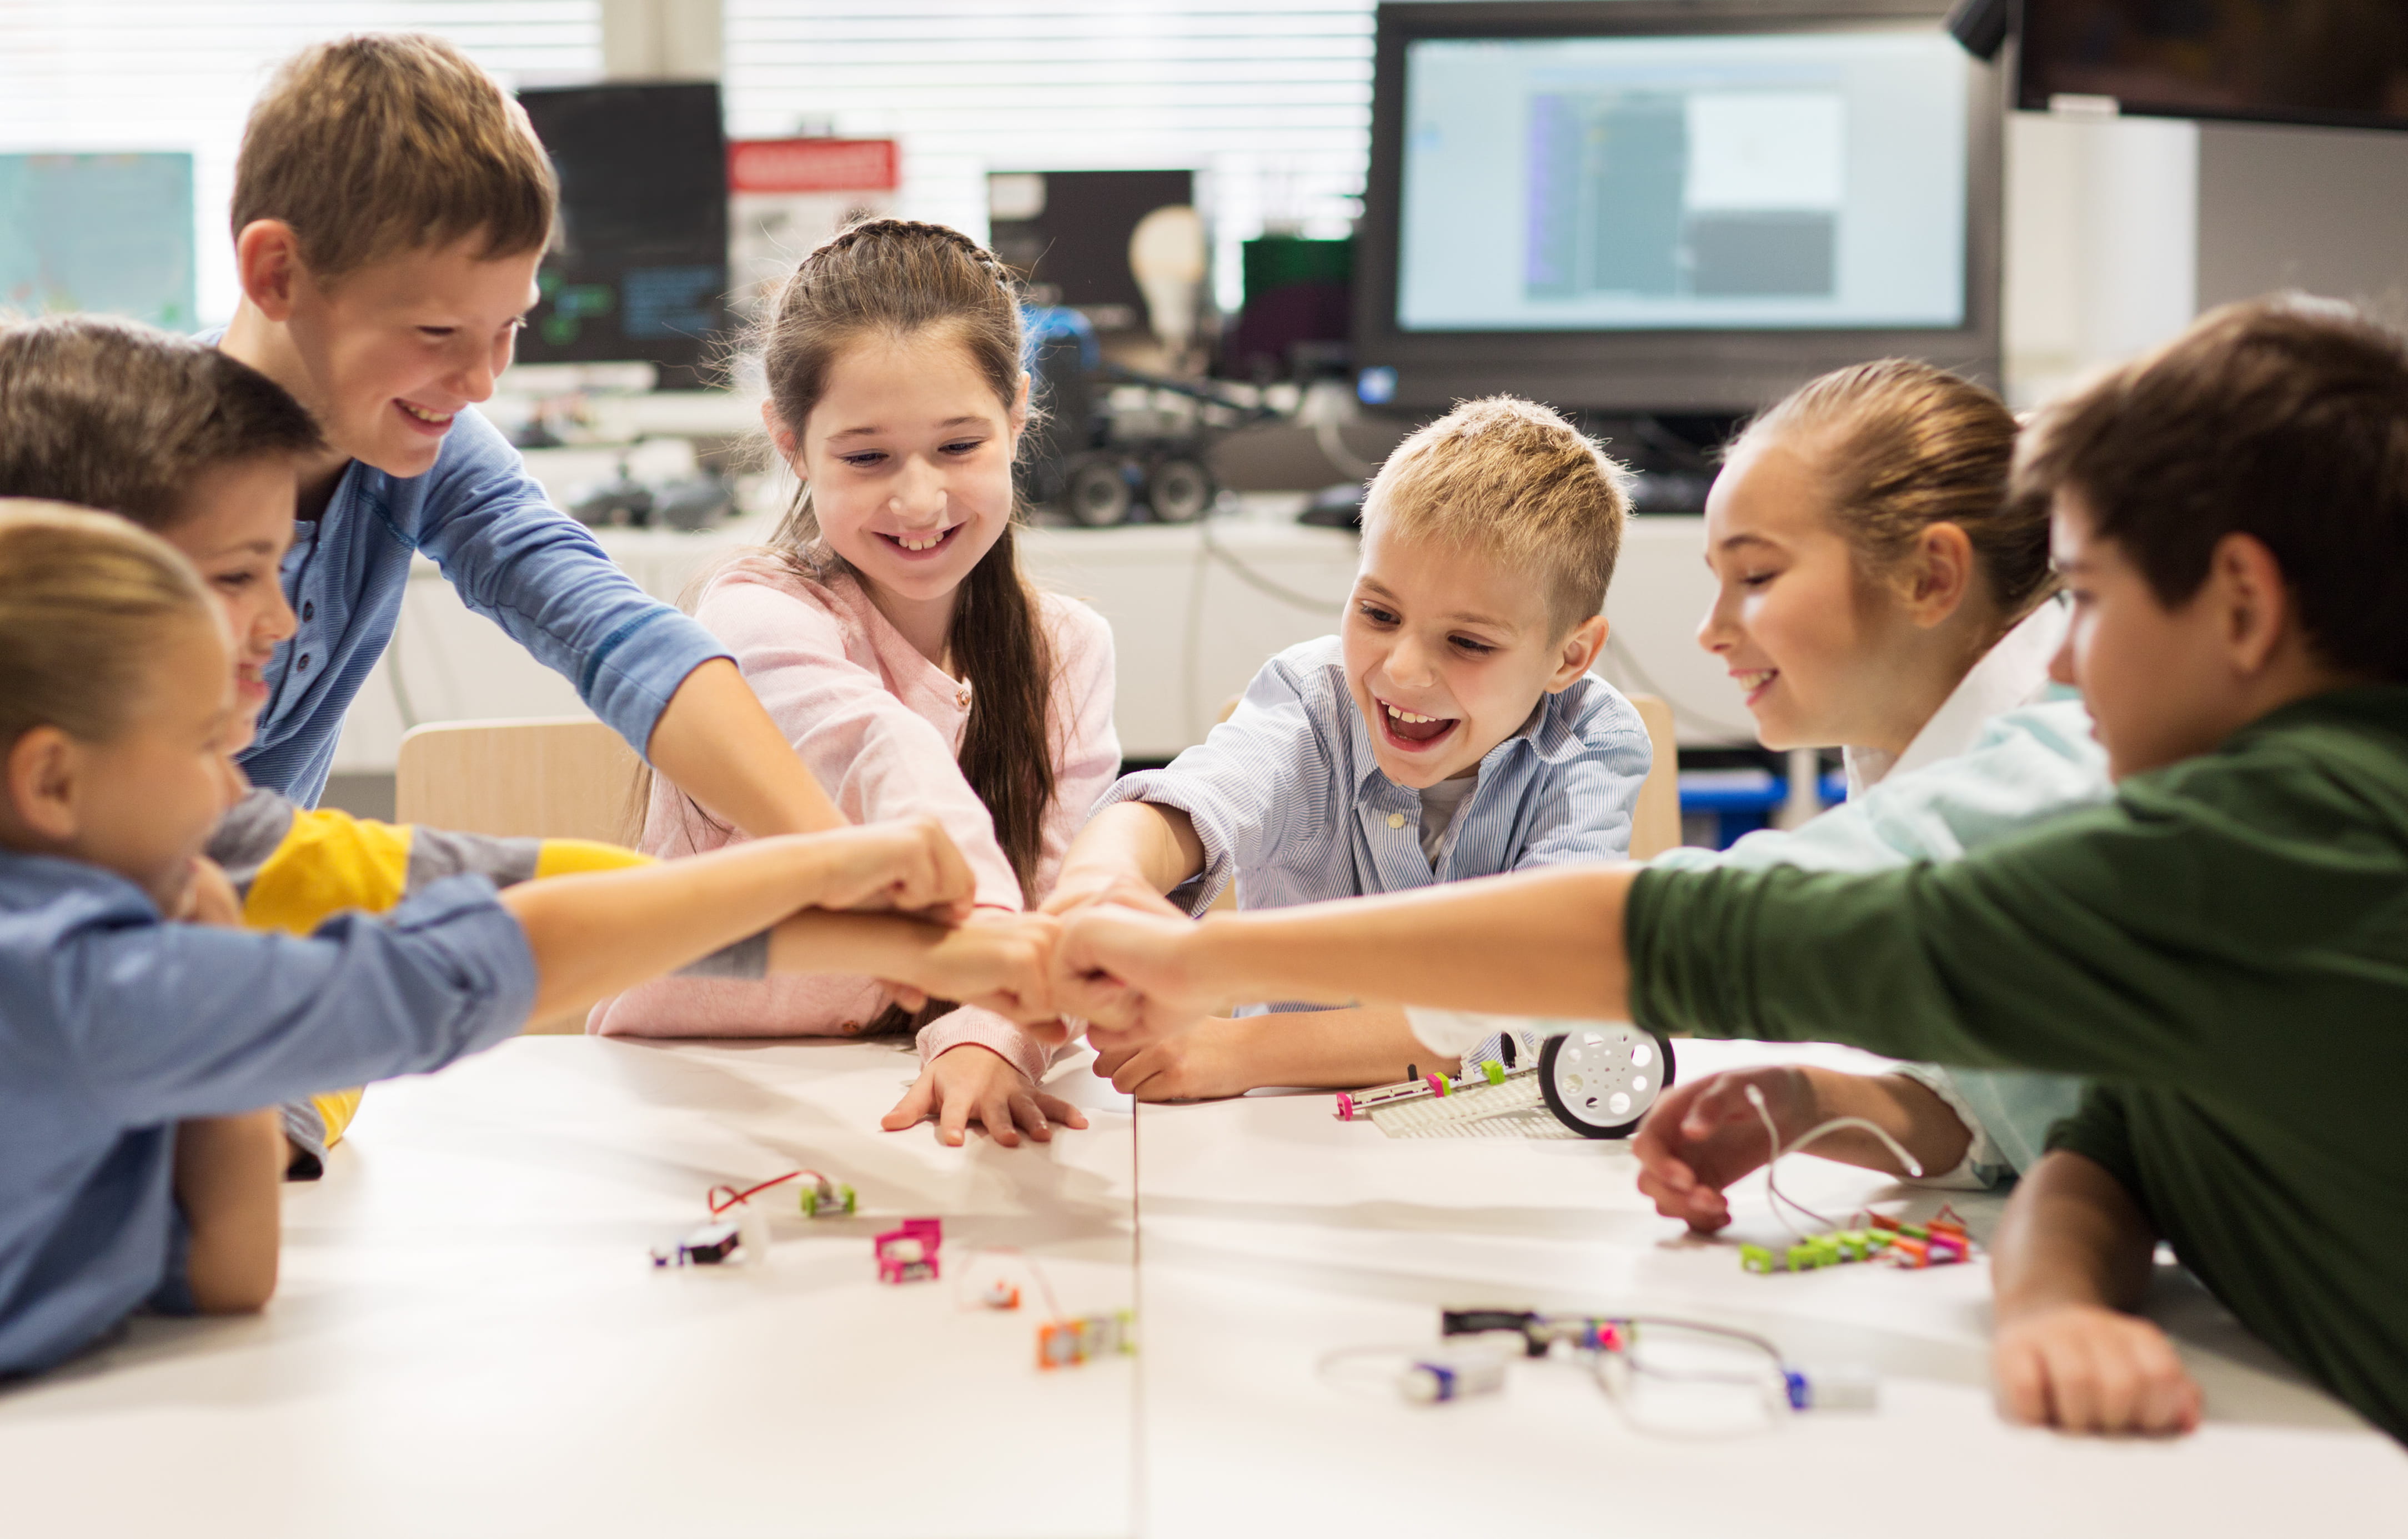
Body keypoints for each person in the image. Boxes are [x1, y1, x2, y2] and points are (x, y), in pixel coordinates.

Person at [1049, 298, 2408, 1442]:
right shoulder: (2242, 834)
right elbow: (2108, 1119)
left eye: (2094, 598)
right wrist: (1862, 1120)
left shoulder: (2204, 823)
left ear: (2239, 602)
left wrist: (1195, 960)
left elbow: (1692, 929)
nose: (2058, 657)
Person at [0, 502, 1052, 1377]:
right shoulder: (75, 970)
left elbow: (228, 1277)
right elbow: (479, 957)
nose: (236, 785)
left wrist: (222, 999)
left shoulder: (145, 927)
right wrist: (822, 864)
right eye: (200, 749)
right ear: (52, 782)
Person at [0, 315, 991, 1169]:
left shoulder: (218, 848)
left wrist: (870, 909)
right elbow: (476, 952)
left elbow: (520, 898)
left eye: (506, 327)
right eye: (232, 576)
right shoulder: (116, 938)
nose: (285, 619)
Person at [210, 33, 879, 859]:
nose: (480, 383)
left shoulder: (422, 439)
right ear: (277, 274)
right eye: (436, 330)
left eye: (509, 327)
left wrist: (835, 852)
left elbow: (616, 633)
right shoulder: (107, 460)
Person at [591, 219, 1117, 1150]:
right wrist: (990, 937)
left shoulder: (1065, 649)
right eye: (867, 457)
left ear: (1019, 416)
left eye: (959, 446)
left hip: (899, 1101)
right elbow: (879, 751)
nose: (919, 501)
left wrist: (990, 1037)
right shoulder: (751, 611)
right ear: (791, 445)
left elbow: (1061, 891)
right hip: (686, 1098)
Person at [1043, 395, 1650, 1100]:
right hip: (1283, 1142)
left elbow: (1536, 1003)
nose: (1401, 670)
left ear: (1569, 656)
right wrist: (1099, 882)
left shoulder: (1592, 742)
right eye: (1378, 613)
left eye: (1467, 642)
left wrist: (1238, 1050)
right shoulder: (1312, 700)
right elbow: (1192, 803)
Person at [1630, 359, 2108, 1216]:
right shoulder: (1905, 745)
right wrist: (1816, 1104)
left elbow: (1685, 922)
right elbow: (2020, 1104)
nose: (1711, 630)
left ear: (1930, 578)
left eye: (1757, 576)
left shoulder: (2049, 769)